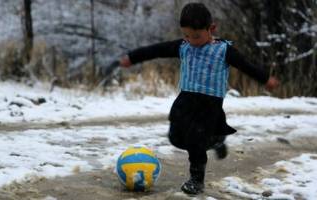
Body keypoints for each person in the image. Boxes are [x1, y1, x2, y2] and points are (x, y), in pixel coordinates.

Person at [118, 2, 279, 195]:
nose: (191, 40)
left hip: (209, 104)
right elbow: (156, 50)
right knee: (176, 137)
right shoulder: (183, 47)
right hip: (186, 100)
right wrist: (132, 57)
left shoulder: (223, 50)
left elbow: (246, 65)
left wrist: (264, 79)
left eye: (196, 36)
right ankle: (217, 140)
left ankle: (197, 179)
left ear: (211, 29)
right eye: (187, 35)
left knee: (195, 140)